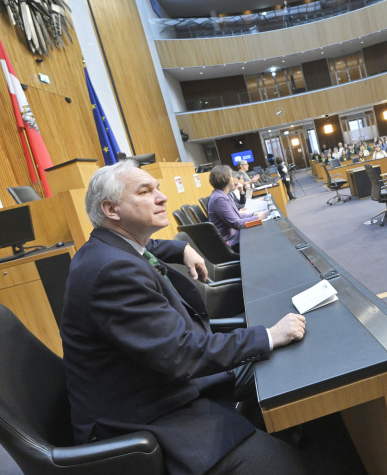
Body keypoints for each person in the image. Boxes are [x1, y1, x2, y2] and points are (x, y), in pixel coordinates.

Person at [61, 159, 306, 475]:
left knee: (280, 364)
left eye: (158, 188)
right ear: (111, 209)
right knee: (286, 465)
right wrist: (269, 335)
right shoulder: (113, 272)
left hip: (159, 385)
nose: (161, 197)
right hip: (148, 416)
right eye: (145, 192)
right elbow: (182, 353)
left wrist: (180, 250)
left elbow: (146, 247)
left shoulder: (108, 247)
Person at [208, 165, 268, 252]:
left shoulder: (224, 195)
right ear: (226, 179)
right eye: (231, 176)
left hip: (236, 236)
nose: (234, 179)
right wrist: (257, 218)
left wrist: (253, 214)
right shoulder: (219, 198)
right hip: (230, 243)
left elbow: (237, 216)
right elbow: (236, 223)